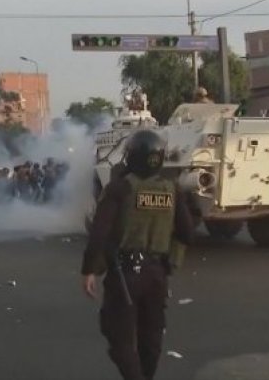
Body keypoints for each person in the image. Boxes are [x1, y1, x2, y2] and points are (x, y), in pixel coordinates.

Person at [81, 129, 195, 380]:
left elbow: (99, 232)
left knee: (119, 336)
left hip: (125, 274)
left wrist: (89, 270)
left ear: (131, 156)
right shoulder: (172, 189)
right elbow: (187, 233)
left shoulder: (119, 188)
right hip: (157, 274)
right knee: (151, 338)